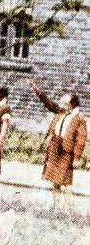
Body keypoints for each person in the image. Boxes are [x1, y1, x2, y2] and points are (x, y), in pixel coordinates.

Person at [27, 76, 85, 211]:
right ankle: (56, 206)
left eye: (65, 103)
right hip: (55, 146)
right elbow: (48, 103)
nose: (62, 105)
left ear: (72, 104)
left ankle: (67, 207)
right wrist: (36, 89)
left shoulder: (79, 119)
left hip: (67, 150)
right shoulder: (61, 112)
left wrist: (76, 157)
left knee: (66, 181)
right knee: (55, 179)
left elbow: (81, 139)